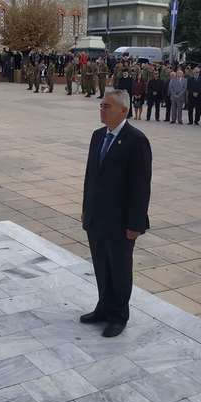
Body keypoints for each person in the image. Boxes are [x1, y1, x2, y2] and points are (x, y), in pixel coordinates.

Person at [81, 89, 152, 338]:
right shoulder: (98, 136)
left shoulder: (136, 140)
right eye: (101, 105)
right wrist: (86, 212)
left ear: (123, 110)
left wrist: (135, 224)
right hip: (96, 218)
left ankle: (118, 315)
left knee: (119, 269)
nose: (102, 109)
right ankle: (103, 307)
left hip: (121, 221)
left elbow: (141, 187)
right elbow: (90, 178)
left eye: (107, 106)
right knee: (101, 266)